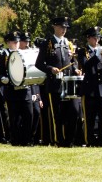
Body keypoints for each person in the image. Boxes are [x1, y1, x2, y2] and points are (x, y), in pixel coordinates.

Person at [35, 17, 81, 147]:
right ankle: (58, 140)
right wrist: (50, 69)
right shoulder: (47, 43)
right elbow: (39, 63)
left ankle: (69, 140)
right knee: (57, 114)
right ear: (54, 27)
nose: (63, 30)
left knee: (73, 112)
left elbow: (72, 62)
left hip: (69, 84)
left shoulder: (69, 43)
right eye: (61, 27)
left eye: (65, 28)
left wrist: (76, 69)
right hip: (55, 84)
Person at [0, 31, 34, 146]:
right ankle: (16, 140)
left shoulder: (24, 53)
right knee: (15, 117)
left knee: (29, 115)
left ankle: (26, 139)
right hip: (12, 90)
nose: (17, 43)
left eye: (18, 41)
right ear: (8, 43)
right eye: (14, 41)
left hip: (25, 90)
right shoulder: (4, 55)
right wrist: (3, 78)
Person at [77, 26, 102, 147]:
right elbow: (85, 66)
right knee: (89, 118)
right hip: (89, 90)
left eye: (98, 37)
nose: (97, 40)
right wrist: (96, 56)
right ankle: (90, 141)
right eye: (94, 37)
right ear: (88, 38)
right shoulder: (83, 51)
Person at [19, 31, 43, 145]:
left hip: (33, 87)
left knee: (36, 112)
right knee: (24, 115)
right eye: (24, 41)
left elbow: (35, 74)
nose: (27, 43)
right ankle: (23, 137)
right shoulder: (16, 54)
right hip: (22, 88)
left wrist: (38, 95)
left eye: (28, 41)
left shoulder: (32, 53)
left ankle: (32, 136)